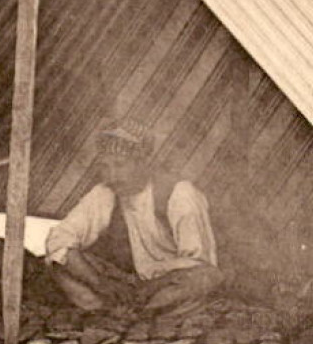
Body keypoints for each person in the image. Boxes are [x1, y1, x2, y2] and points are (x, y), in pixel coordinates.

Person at [44, 126, 224, 323]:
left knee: (205, 278)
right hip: (127, 285)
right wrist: (102, 283)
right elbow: (60, 239)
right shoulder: (105, 192)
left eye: (120, 165)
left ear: (142, 163)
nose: (111, 175)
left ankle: (138, 315)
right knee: (59, 262)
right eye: (105, 166)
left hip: (168, 284)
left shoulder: (180, 193)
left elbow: (199, 262)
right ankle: (112, 312)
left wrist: (153, 286)